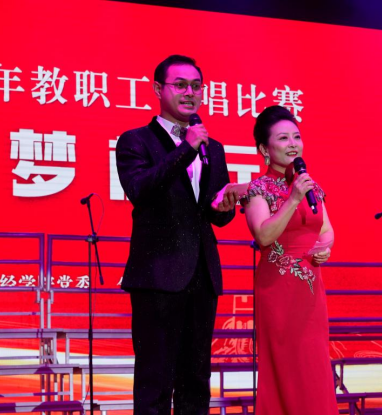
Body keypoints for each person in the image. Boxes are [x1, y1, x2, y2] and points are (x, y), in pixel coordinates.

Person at [116, 55, 239, 415]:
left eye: (196, 86)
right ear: (158, 89)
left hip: (202, 274)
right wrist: (187, 148)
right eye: (181, 85)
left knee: (196, 379)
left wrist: (225, 206)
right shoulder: (135, 141)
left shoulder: (214, 148)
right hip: (157, 275)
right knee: (155, 380)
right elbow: (140, 189)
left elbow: (217, 215)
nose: (190, 93)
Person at [243, 105, 338, 414]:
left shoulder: (311, 185)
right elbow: (264, 236)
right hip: (278, 291)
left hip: (310, 290)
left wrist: (324, 248)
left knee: (314, 365)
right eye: (283, 138)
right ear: (264, 149)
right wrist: (293, 199)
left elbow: (326, 229)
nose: (293, 144)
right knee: (286, 367)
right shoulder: (258, 189)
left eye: (296, 136)